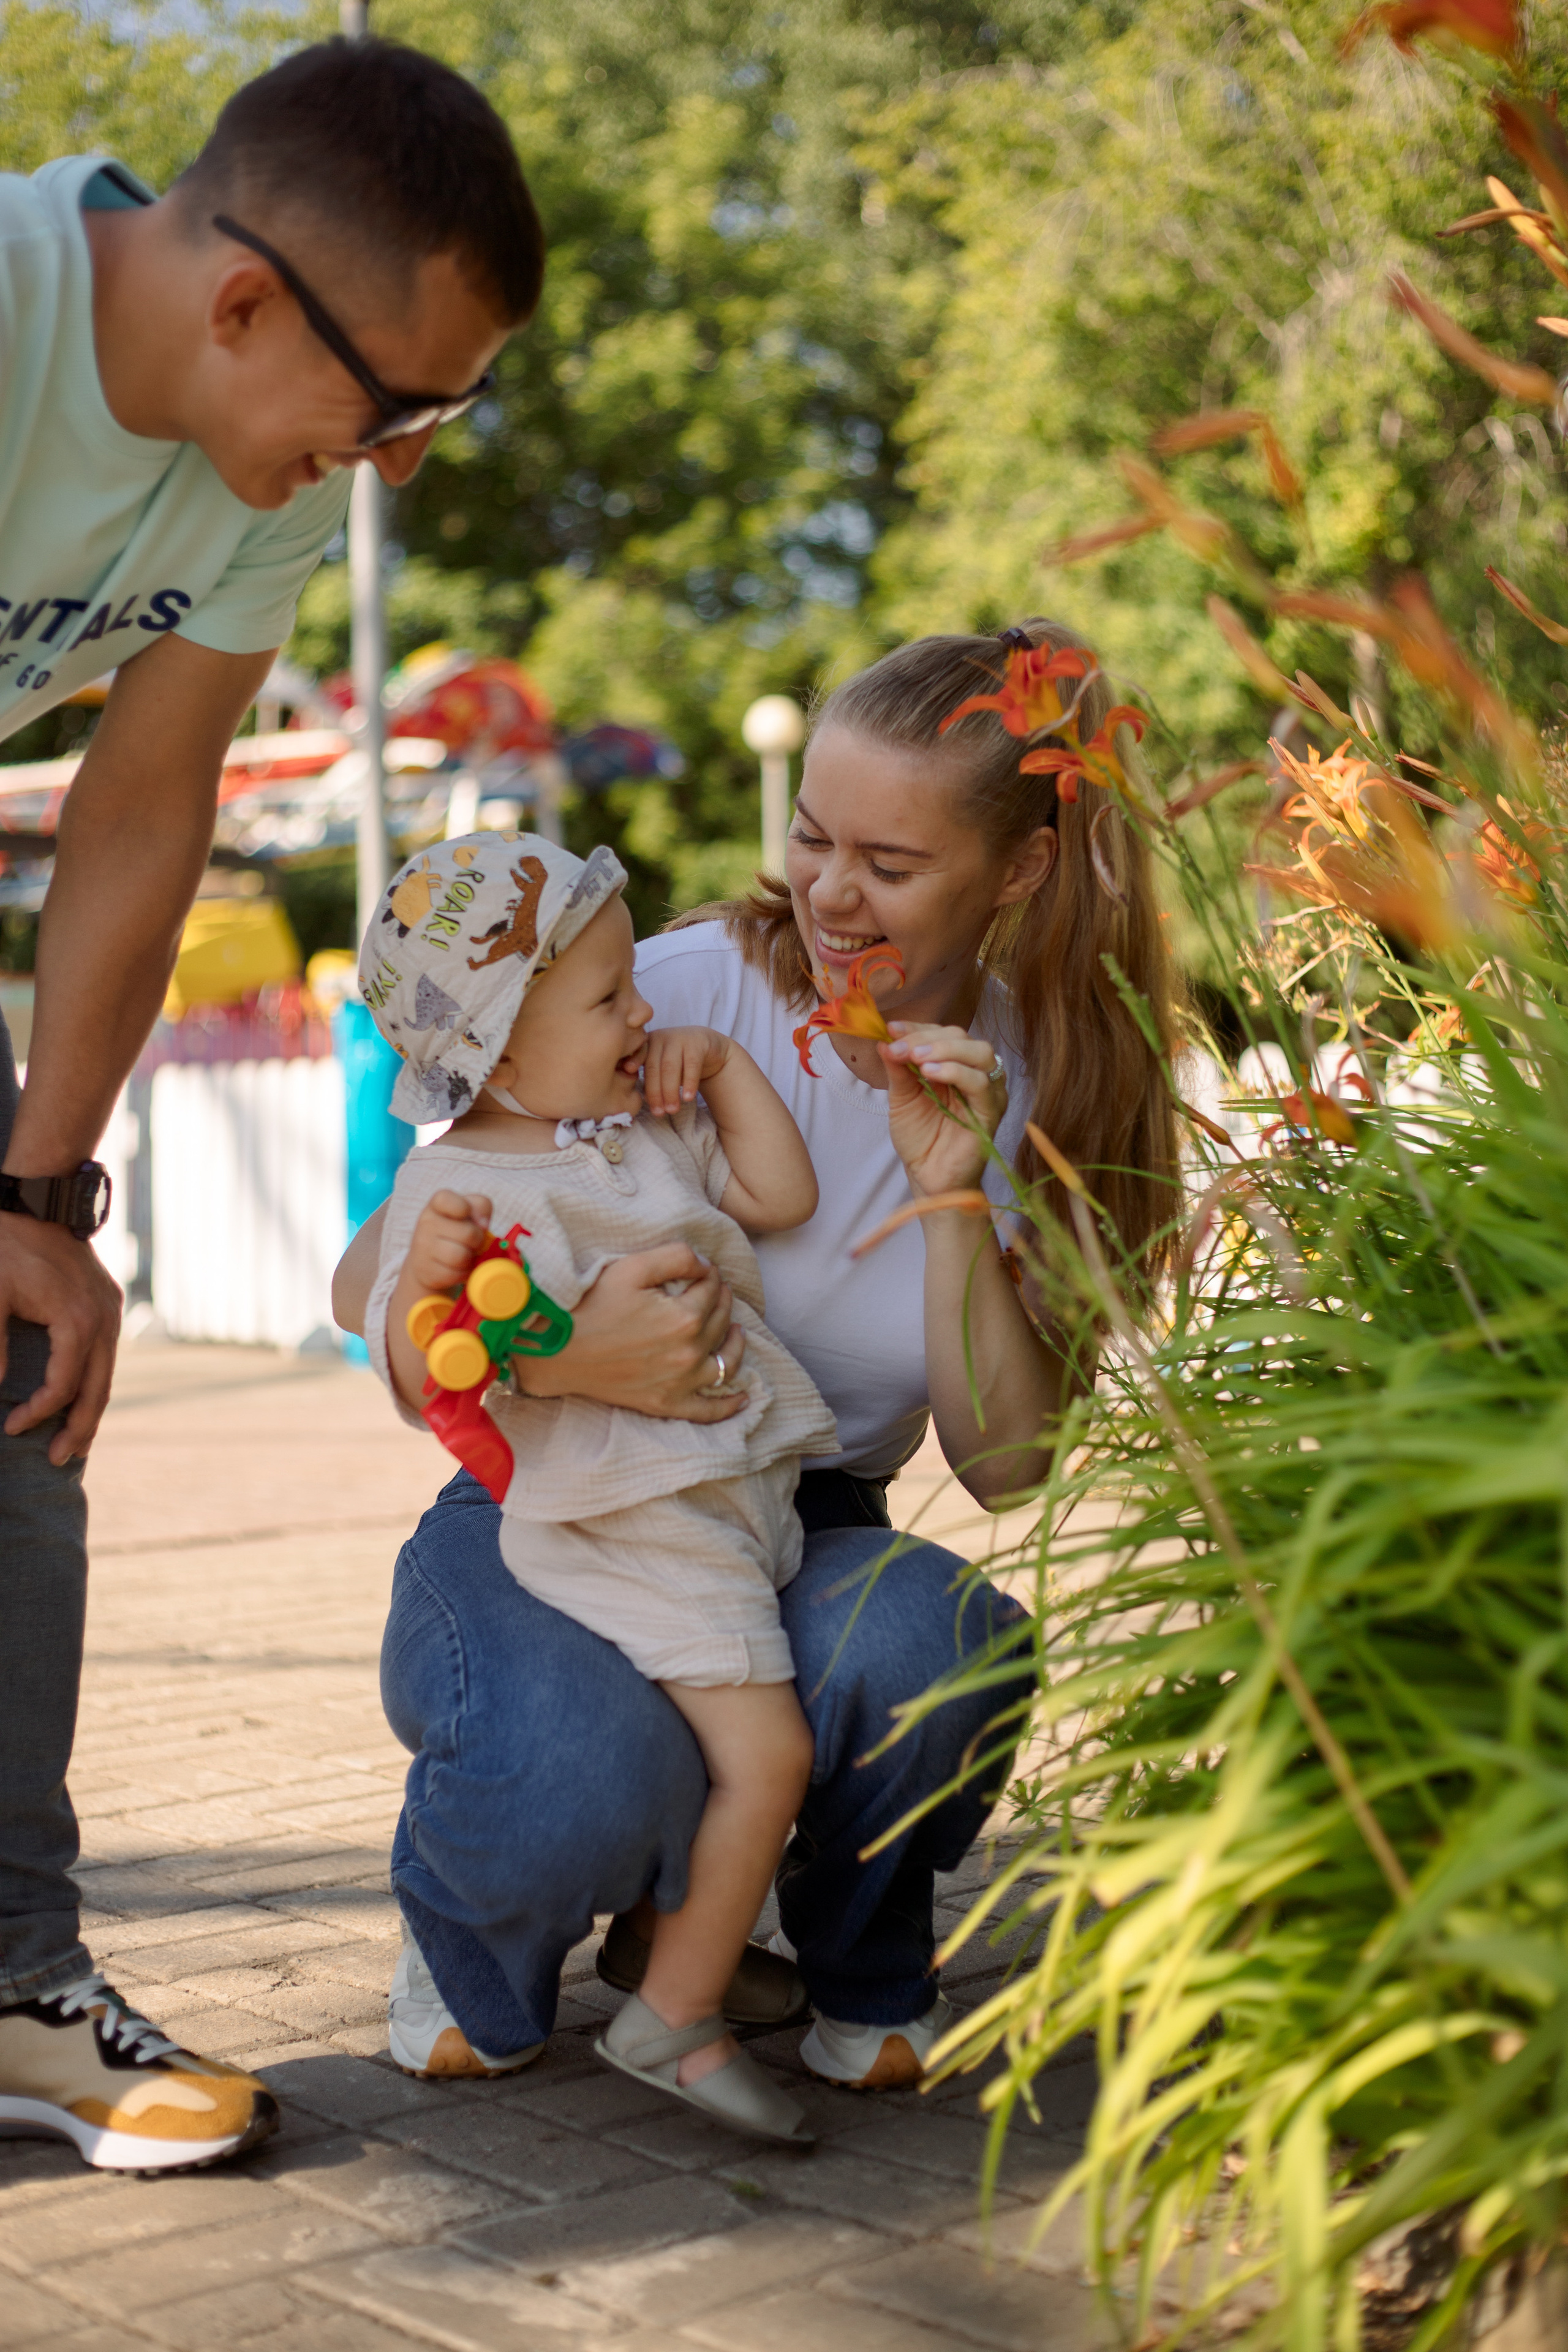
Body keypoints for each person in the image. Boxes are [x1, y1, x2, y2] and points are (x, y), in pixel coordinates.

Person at [334, 617, 1180, 2093]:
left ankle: (820, 1933)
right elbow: (377, 1271)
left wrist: (947, 1195)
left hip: (793, 1517)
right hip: (557, 1499)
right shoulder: (665, 990)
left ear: (1020, 870)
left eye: (890, 865)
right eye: (810, 838)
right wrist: (549, 1356)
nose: (829, 894)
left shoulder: (1050, 1082)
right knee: (584, 1776)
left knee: (938, 1648)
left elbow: (1006, 1468)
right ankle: (481, 1921)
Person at [0, 39, 544, 2173]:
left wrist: (44, 1187)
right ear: (242, 305)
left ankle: (12, 1981)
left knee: (14, 1369)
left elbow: (142, 818)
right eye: (398, 405)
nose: (403, 464)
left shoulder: (266, 465)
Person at [363, 832, 840, 2144]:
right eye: (609, 1000)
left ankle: (669, 1943)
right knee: (769, 1757)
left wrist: (728, 1071)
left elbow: (780, 1194)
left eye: (636, 986)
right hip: (643, 1524)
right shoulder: (457, 1186)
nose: (644, 1016)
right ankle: (673, 2019)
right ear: (497, 1053)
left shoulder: (640, 1136)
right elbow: (417, 1368)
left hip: (724, 1510)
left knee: (732, 1746)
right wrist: (427, 1286)